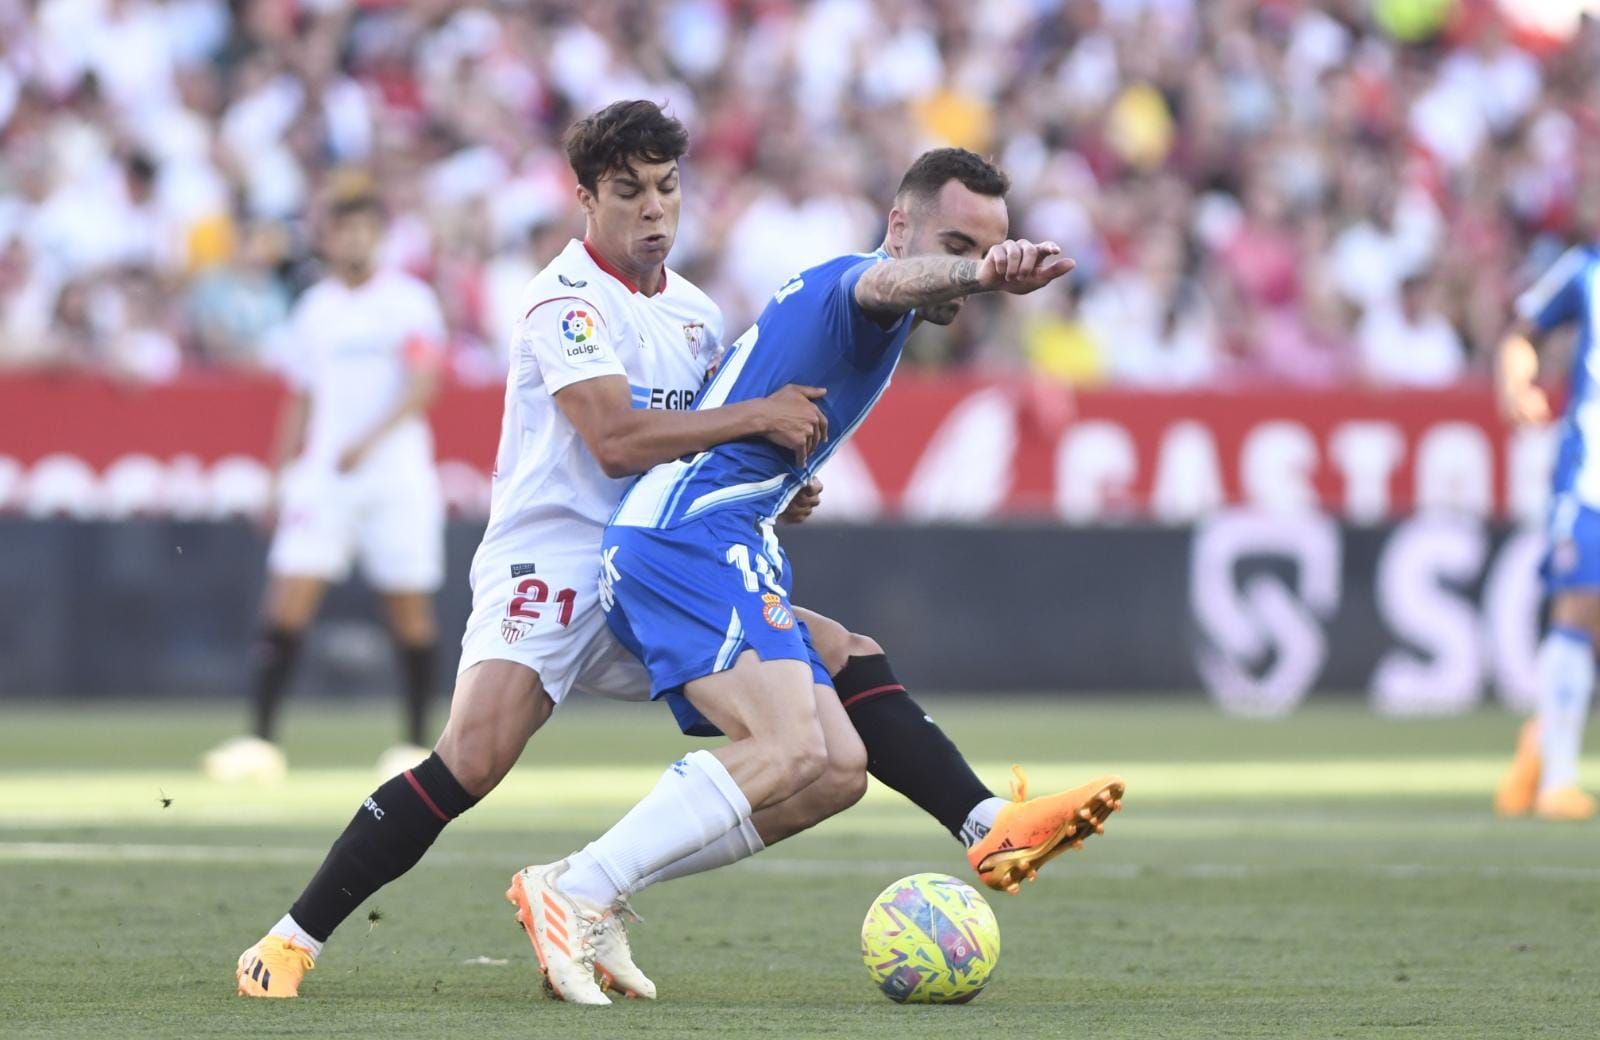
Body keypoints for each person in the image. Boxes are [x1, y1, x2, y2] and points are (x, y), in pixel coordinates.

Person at [236, 102, 1119, 1002]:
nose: (654, 208)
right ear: (586, 199)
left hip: (662, 551)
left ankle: (968, 823)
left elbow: (703, 437)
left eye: (666, 187)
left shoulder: (695, 314)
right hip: (555, 560)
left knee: (834, 747)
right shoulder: (565, 301)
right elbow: (617, 440)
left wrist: (776, 473)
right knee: (472, 759)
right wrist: (762, 416)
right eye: (629, 191)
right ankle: (291, 941)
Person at [513, 145, 1120, 1005]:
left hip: (727, 533)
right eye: (954, 244)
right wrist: (984, 275)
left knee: (835, 766)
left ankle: (989, 825)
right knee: (788, 746)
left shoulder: (872, 308)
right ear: (899, 227)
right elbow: (885, 283)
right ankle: (578, 889)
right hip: (686, 537)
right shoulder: (857, 286)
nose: (965, 266)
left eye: (986, 246)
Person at [203, 175, 448, 784]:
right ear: (328, 238)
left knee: (408, 607)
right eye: (343, 229)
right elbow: (302, 397)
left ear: (380, 235)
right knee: (287, 599)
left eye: (364, 228)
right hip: (326, 477)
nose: (353, 239)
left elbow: (423, 382)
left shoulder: (408, 302)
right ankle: (260, 741)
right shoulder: (316, 308)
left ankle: (415, 744)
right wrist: (276, 475)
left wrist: (367, 440)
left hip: (394, 475)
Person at [1494, 239, 1600, 822]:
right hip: (1590, 477)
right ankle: (1559, 780)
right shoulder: (1586, 270)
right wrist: (1517, 383)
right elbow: (1522, 333)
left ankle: (1542, 737)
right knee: (1580, 605)